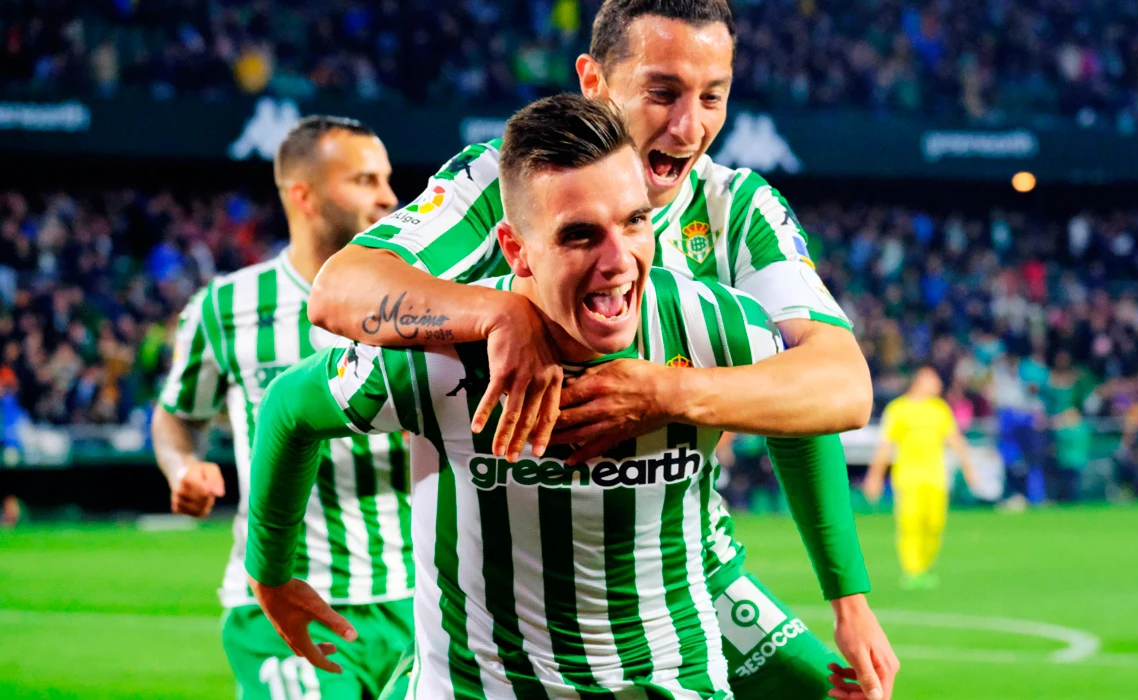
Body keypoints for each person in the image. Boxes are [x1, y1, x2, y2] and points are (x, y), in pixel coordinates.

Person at [306, 2, 896, 698]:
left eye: (713, 97)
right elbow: (339, 290)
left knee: (833, 694)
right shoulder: (502, 183)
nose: (689, 126)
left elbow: (827, 388)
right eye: (663, 92)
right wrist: (498, 314)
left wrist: (847, 596)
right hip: (501, 563)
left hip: (682, 564)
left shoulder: (737, 209)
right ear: (594, 82)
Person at [246, 94, 806, 698]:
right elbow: (287, 408)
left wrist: (676, 392)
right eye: (579, 236)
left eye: (635, 221)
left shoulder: (707, 325)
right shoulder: (440, 356)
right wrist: (271, 573)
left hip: (669, 683)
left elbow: (824, 399)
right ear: (516, 249)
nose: (618, 261)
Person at [152, 116, 412, 699]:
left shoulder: (422, 297)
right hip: (281, 598)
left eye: (387, 179)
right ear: (304, 195)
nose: (389, 196)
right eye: (365, 180)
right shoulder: (228, 307)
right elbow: (177, 414)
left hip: (416, 599)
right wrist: (180, 467)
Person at [863, 368, 978, 590]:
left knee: (934, 523)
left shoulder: (939, 409)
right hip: (908, 477)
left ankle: (925, 566)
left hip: (935, 477)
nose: (937, 385)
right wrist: (875, 476)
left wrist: (968, 468)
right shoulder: (898, 409)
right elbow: (885, 446)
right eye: (933, 381)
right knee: (910, 524)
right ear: (919, 381)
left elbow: (954, 439)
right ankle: (912, 570)